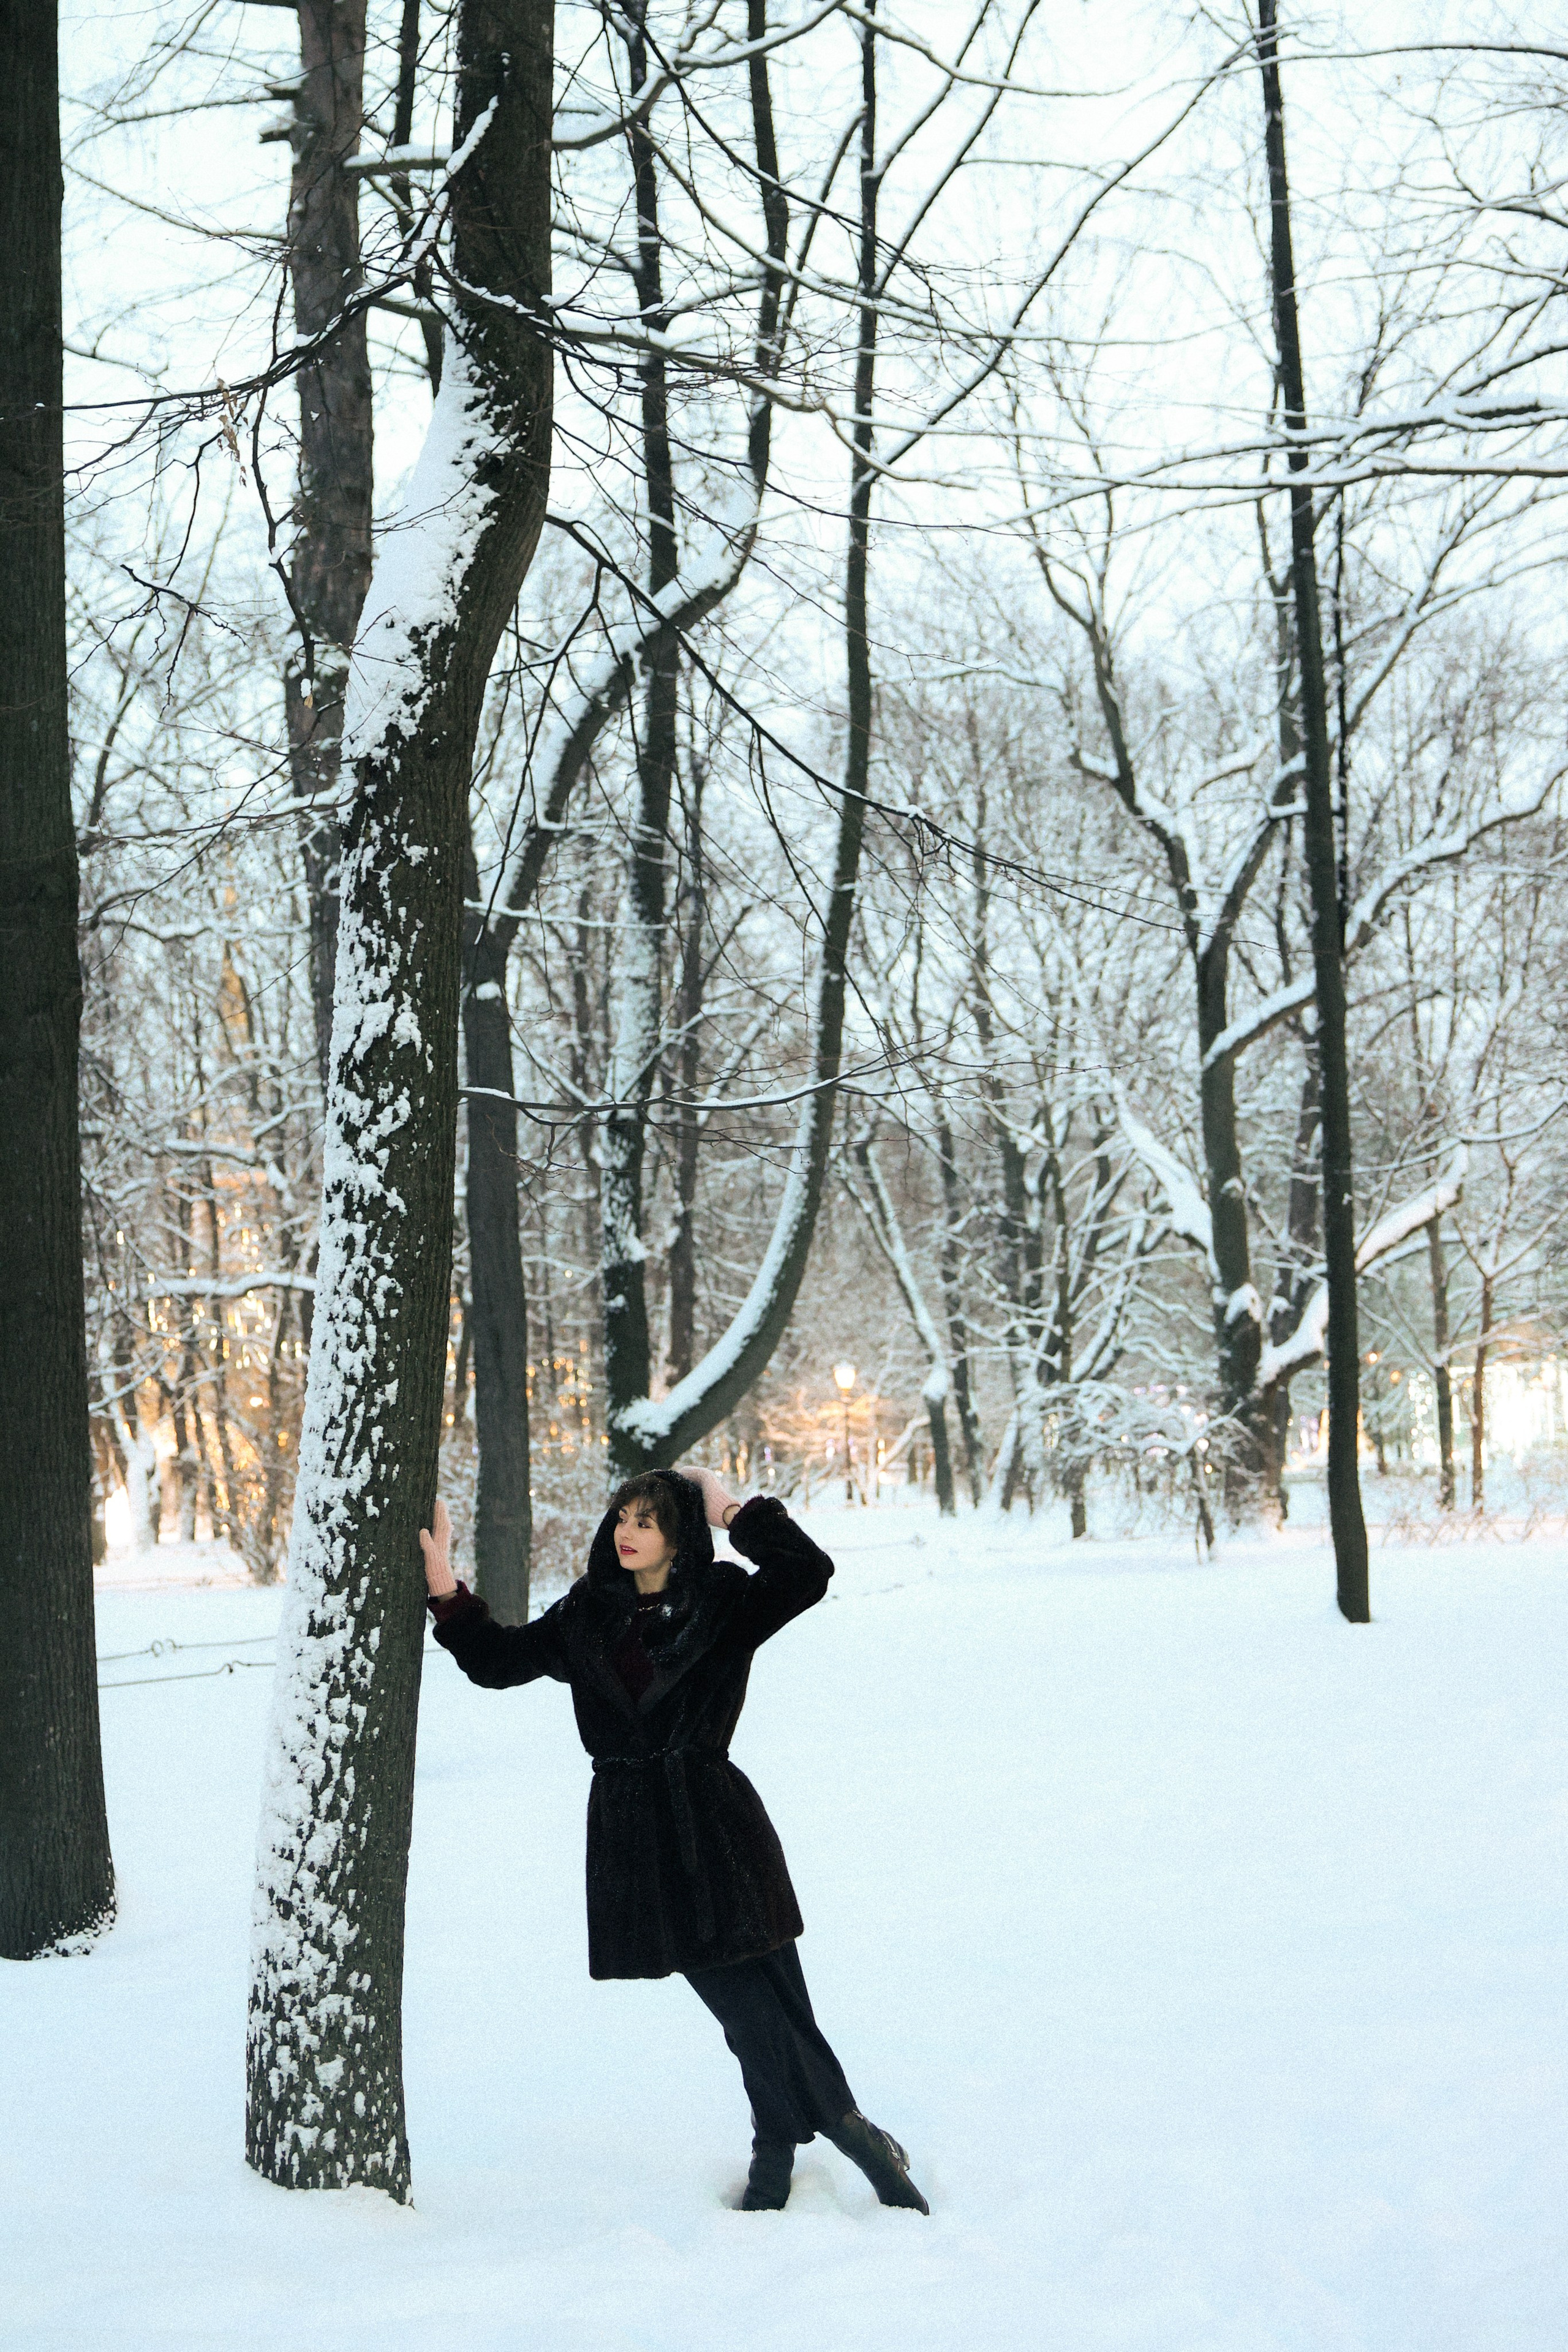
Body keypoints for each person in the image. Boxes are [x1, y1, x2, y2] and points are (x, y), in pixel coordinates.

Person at [418, 1464, 928, 2215]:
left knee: (775, 2001)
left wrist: (732, 1511)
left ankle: (779, 2156)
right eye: (622, 1515)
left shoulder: (723, 1602)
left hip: (716, 1820)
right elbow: (497, 1663)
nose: (626, 1531)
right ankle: (852, 2133)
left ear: (680, 1535)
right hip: (635, 1838)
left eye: (648, 1520)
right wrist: (444, 1590)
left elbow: (807, 1571)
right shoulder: (586, 1612)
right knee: (749, 2007)